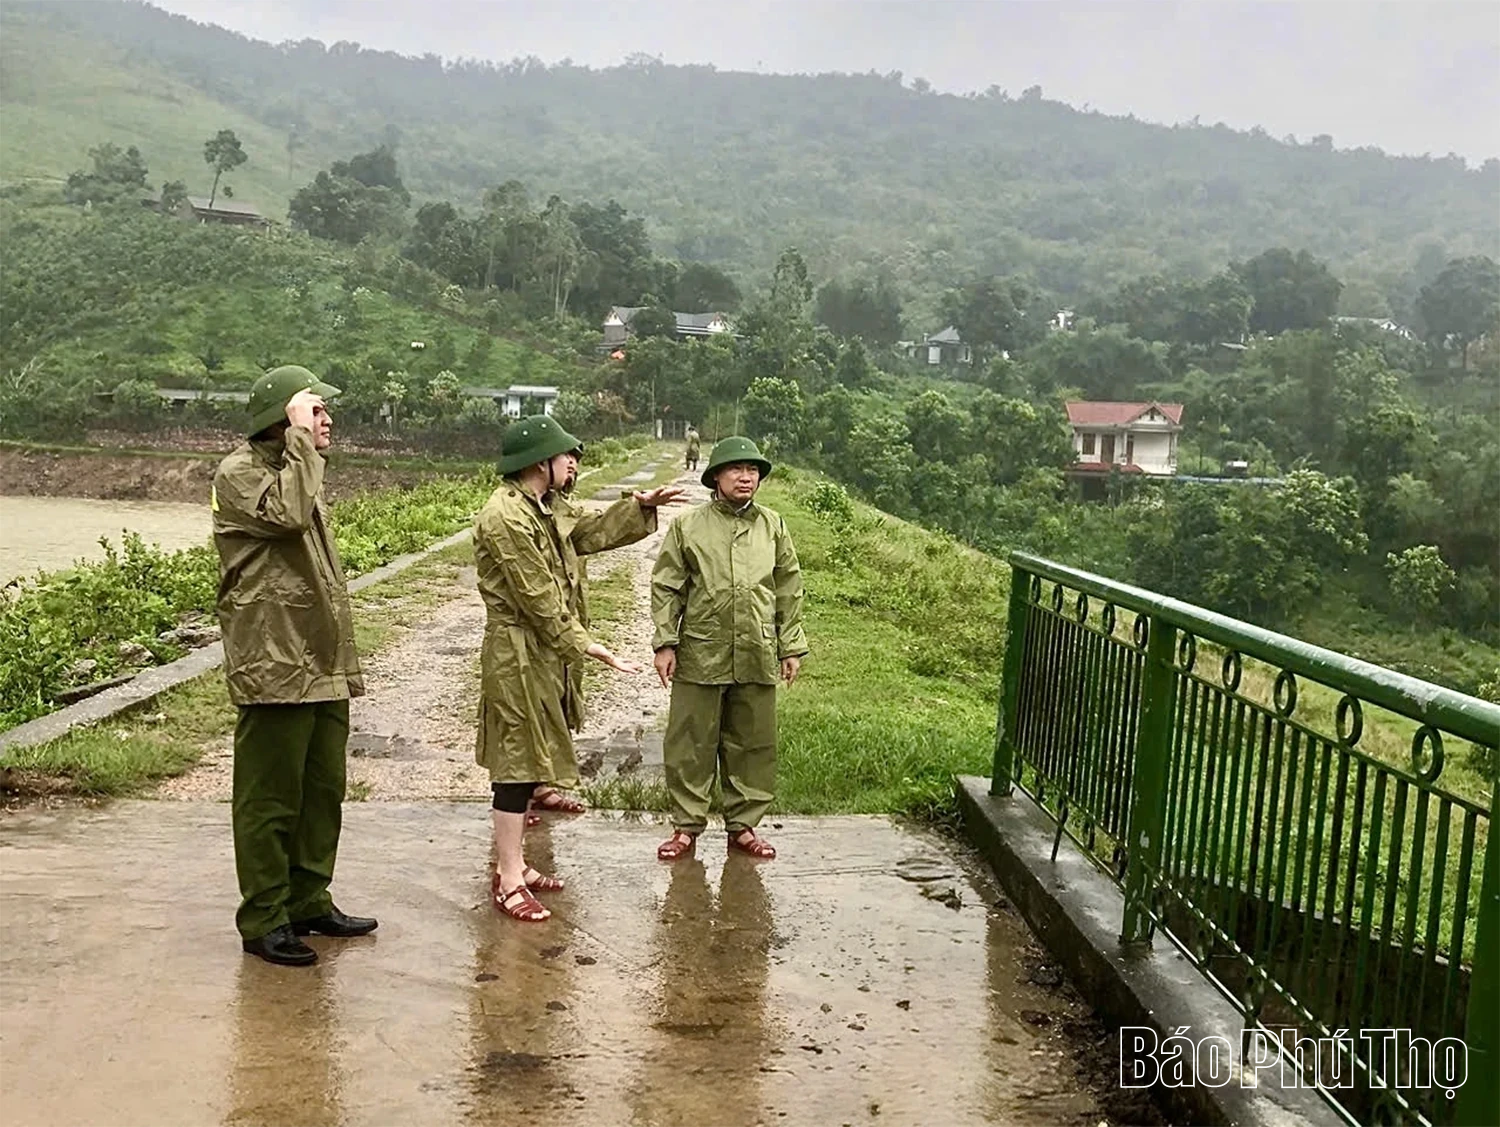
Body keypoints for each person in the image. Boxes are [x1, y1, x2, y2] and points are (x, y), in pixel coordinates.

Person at [474, 414, 684, 921]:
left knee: (531, 753)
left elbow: (587, 532)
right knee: (516, 759)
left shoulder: (545, 507)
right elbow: (538, 598)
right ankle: (507, 878)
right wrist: (589, 645)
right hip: (517, 651)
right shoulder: (506, 518)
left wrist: (638, 508)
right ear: (539, 462)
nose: (573, 464)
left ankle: (518, 866)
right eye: (567, 455)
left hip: (540, 650)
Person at [212, 365, 376, 967]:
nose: (325, 421)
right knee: (270, 797)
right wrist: (302, 444)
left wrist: (301, 447)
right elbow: (284, 516)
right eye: (313, 410)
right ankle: (264, 917)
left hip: (319, 657)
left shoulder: (295, 470)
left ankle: (309, 898)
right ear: (282, 417)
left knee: (320, 789)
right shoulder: (239, 474)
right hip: (274, 659)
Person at [650, 436, 808, 862]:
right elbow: (667, 587)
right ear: (715, 477)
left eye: (753, 470)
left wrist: (789, 645)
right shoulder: (689, 526)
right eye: (736, 469)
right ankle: (685, 827)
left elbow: (788, 588)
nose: (746, 477)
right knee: (691, 741)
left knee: (752, 741)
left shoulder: (773, 525)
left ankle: (744, 826)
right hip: (702, 649)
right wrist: (665, 642)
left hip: (756, 649)